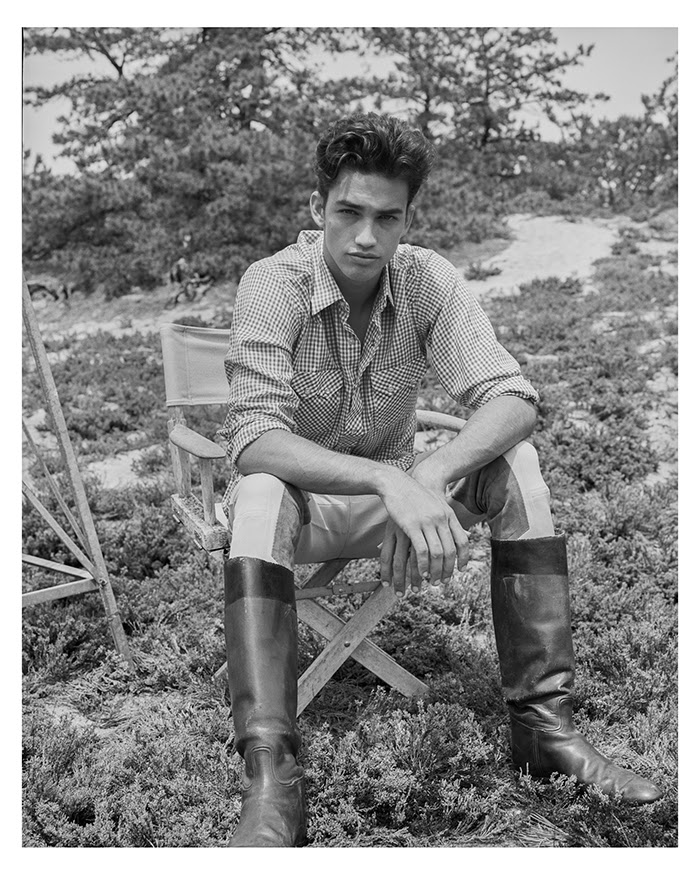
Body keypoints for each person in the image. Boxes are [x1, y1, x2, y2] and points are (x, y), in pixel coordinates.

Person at [217, 112, 661, 848]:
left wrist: (425, 475)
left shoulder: (428, 280)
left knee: (519, 464)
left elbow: (514, 397)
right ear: (317, 208)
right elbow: (256, 439)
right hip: (306, 507)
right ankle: (273, 775)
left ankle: (543, 727)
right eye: (349, 212)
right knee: (261, 492)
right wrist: (388, 483)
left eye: (387, 218)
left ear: (408, 220)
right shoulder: (273, 283)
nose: (366, 236)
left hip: (403, 505)